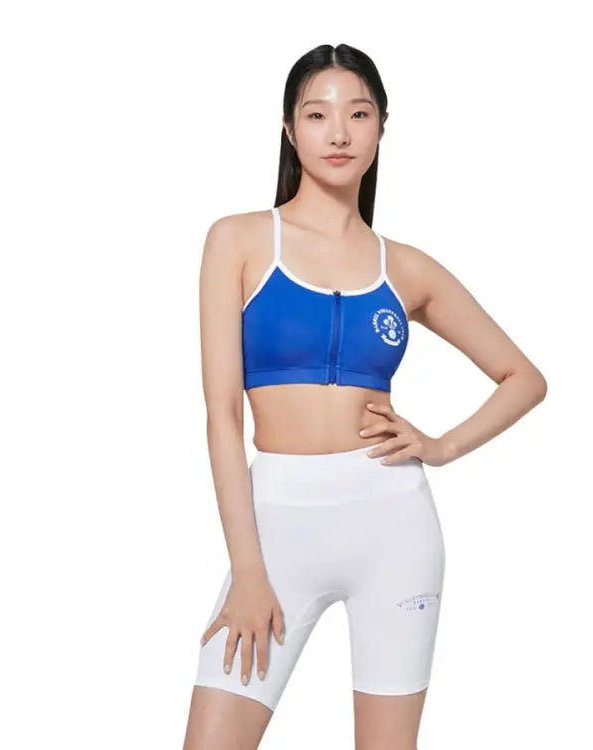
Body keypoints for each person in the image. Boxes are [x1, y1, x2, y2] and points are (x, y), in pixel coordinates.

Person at [182, 43, 547, 750]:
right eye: (317, 115)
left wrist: (440, 446)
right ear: (290, 130)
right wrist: (249, 571)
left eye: (358, 114)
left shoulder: (405, 267)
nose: (340, 133)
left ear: (381, 127)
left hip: (394, 526)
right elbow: (222, 417)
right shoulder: (239, 240)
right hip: (276, 526)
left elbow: (523, 378)